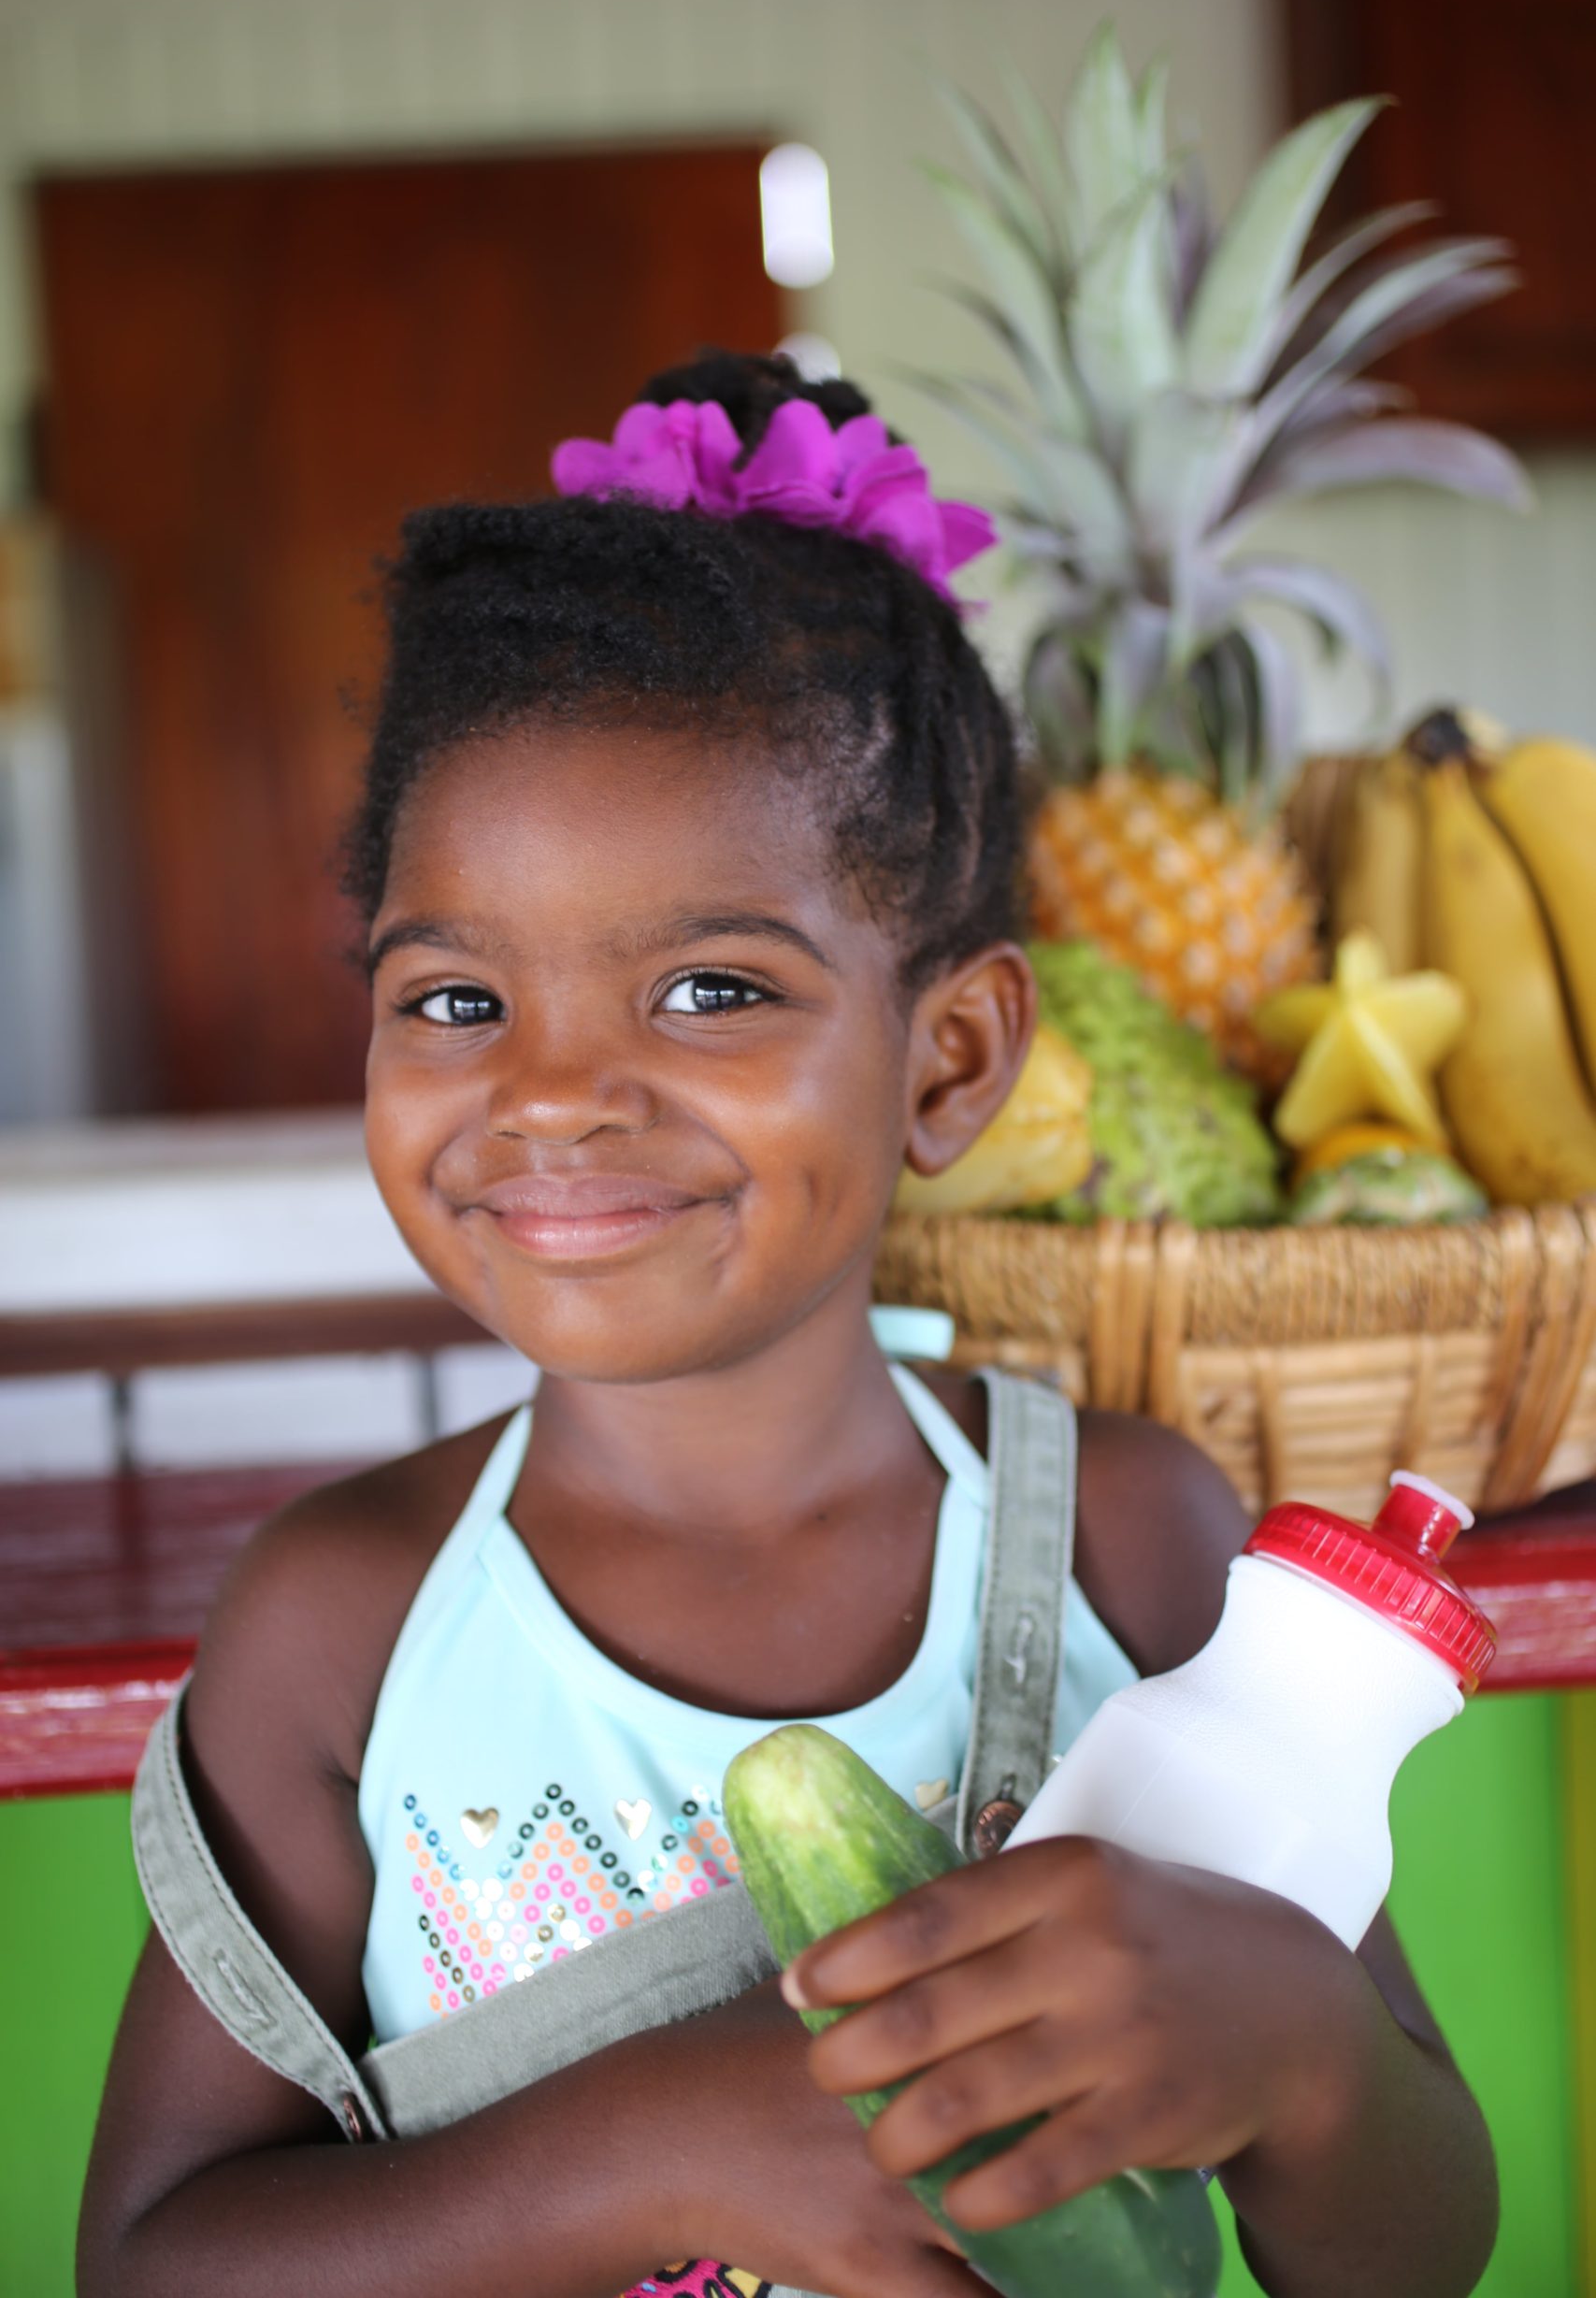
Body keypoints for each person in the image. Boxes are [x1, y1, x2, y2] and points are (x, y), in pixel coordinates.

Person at [79, 352, 1496, 2298]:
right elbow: (155, 2259)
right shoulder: (342, 1621)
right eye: (458, 1001)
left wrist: (1301, 2054)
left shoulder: (1123, 1537)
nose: (553, 1093)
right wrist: (661, 2142)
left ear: (949, 1056)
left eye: (704, 990)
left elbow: (1412, 2248)